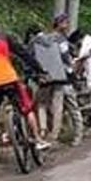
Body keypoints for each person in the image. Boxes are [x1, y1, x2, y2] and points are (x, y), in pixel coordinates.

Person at [0, 18, 50, 151]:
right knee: (27, 109)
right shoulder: (5, 37)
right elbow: (23, 54)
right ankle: (38, 139)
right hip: (10, 78)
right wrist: (40, 70)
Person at [31, 13, 80, 145]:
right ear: (59, 24)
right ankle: (55, 134)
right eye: (64, 22)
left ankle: (43, 130)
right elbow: (65, 56)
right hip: (61, 76)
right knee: (58, 106)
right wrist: (72, 67)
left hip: (45, 76)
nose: (67, 24)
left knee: (42, 104)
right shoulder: (61, 39)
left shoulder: (43, 39)